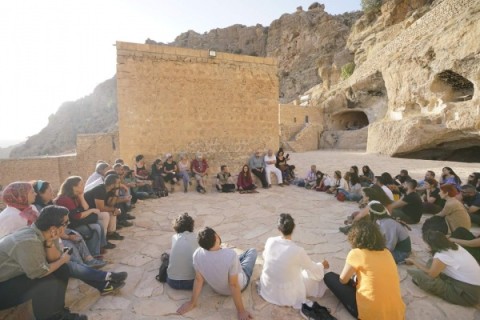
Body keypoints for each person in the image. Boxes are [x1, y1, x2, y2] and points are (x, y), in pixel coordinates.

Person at [0, 205, 88, 320]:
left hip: (11, 279)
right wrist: (63, 259)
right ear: (53, 227)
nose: (67, 225)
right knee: (46, 280)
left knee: (62, 270)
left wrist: (50, 241)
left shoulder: (46, 234)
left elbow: (54, 260)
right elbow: (39, 273)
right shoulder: (28, 241)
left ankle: (58, 313)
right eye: (65, 223)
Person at [324, 220, 405, 319]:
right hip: (396, 314)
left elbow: (343, 280)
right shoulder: (387, 253)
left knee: (329, 277)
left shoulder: (356, 253)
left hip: (370, 315)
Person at [177, 227, 257, 320]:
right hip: (240, 285)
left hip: (218, 290)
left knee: (235, 260)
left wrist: (192, 303)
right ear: (216, 237)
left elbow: (199, 280)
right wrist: (241, 311)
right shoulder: (231, 255)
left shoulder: (197, 254)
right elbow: (234, 285)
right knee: (252, 251)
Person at [259, 214, 328, 310]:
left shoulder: (270, 241)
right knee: (319, 273)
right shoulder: (297, 251)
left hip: (268, 289)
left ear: (278, 228)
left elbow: (265, 256)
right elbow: (314, 270)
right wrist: (321, 265)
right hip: (287, 296)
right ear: (294, 227)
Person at [33, 180, 105, 268]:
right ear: (40, 193)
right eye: (49, 191)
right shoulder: (38, 209)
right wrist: (67, 236)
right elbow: (51, 228)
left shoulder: (50, 203)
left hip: (60, 230)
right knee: (69, 244)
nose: (52, 193)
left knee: (77, 235)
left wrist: (81, 196)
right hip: (51, 235)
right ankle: (81, 266)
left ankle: (89, 259)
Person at [406, 230, 480, 306]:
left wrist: (414, 262)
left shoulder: (441, 256)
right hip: (474, 286)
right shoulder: (455, 245)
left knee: (421, 276)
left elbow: (431, 275)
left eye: (428, 245)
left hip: (469, 295)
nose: (427, 247)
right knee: (432, 261)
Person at [55, 176, 112, 256]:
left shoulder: (76, 196)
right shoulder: (65, 199)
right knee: (96, 227)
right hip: (70, 225)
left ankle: (99, 246)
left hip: (77, 221)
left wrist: (81, 196)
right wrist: (91, 210)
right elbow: (77, 216)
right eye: (81, 184)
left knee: (99, 224)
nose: (84, 185)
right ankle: (94, 253)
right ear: (74, 187)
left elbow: (85, 207)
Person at [167, 213, 198, 290]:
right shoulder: (197, 238)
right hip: (192, 283)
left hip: (172, 281)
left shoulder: (174, 237)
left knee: (167, 259)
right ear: (192, 225)